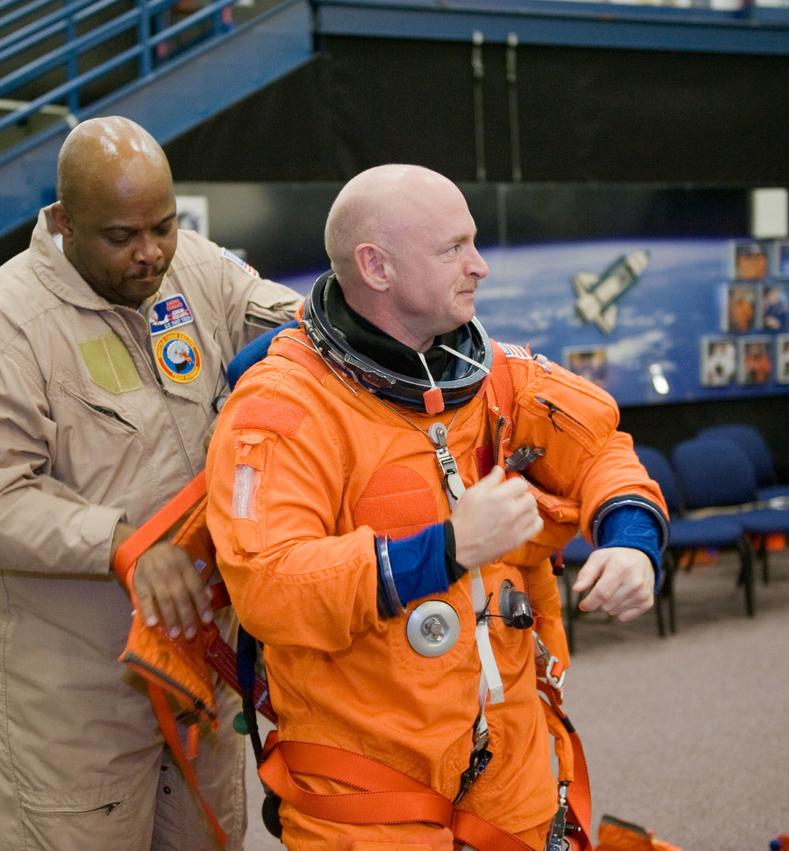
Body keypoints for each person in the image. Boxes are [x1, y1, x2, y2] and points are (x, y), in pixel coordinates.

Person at [204, 164, 668, 848]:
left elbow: (598, 445)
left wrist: (630, 538)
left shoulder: (491, 377)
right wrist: (446, 549)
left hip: (508, 756)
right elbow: (269, 585)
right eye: (453, 248)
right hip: (367, 774)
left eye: (473, 243)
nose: (479, 265)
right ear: (376, 266)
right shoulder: (281, 411)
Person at [0, 115, 300, 850]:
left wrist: (354, 323)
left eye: (162, 226)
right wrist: (119, 543)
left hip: (197, 668)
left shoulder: (193, 268)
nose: (151, 253)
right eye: (122, 237)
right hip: (71, 689)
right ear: (64, 222)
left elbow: (289, 323)